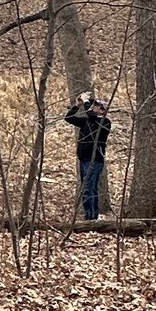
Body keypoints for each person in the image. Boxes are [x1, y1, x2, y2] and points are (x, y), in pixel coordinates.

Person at [64, 91, 112, 220]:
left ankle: (91, 217)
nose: (94, 107)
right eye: (94, 105)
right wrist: (77, 105)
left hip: (95, 160)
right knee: (87, 188)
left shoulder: (105, 122)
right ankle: (90, 215)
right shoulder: (86, 122)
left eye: (97, 106)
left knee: (89, 189)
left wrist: (85, 102)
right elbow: (69, 118)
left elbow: (92, 117)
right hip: (84, 159)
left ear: (102, 110)